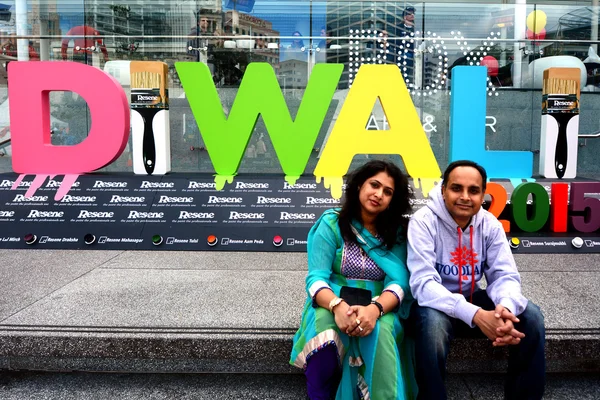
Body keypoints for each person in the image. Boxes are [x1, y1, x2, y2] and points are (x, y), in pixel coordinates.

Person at [406, 160, 545, 400]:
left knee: (531, 316)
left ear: (483, 195)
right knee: (432, 327)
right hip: (434, 304)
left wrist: (505, 310)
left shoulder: (489, 224)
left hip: (471, 295)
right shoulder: (423, 222)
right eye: (456, 188)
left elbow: (504, 275)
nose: (464, 197)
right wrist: (478, 316)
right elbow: (423, 284)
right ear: (443, 190)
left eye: (473, 190)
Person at [290, 160, 417, 400]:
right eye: (374, 185)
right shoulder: (331, 223)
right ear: (359, 185)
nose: (379, 194)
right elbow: (316, 278)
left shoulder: (398, 233)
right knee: (324, 329)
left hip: (380, 302)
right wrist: (337, 306)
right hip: (332, 299)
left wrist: (375, 310)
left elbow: (399, 282)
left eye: (387, 192)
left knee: (381, 330)